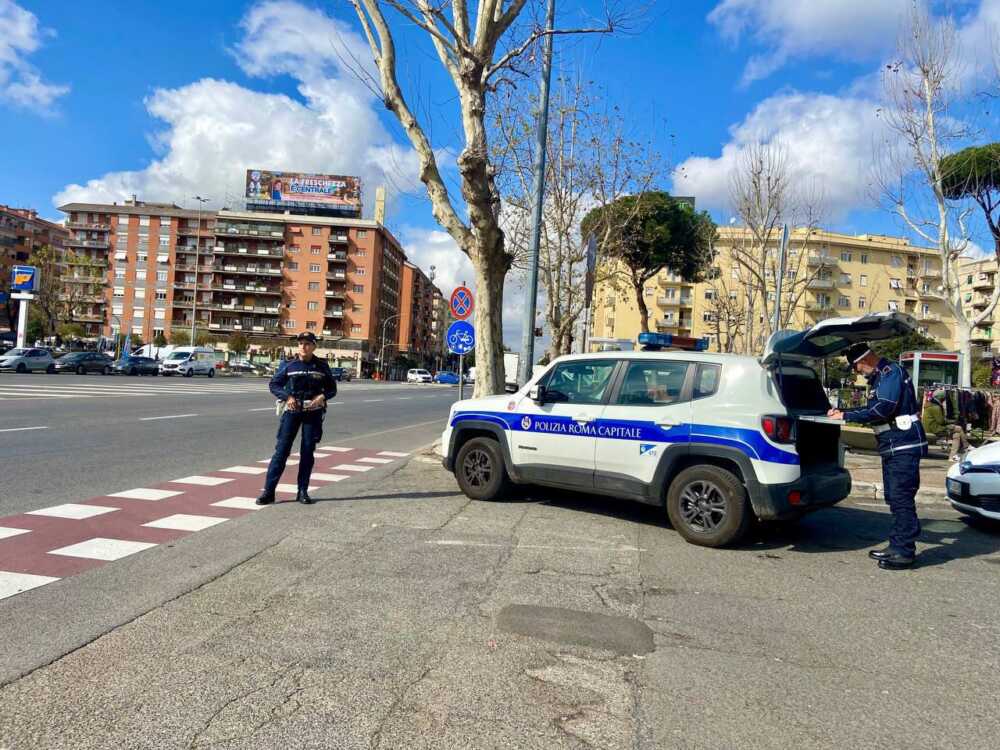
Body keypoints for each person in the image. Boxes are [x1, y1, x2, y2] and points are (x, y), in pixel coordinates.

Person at [827, 344, 927, 570]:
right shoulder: (880, 379)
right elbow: (875, 407)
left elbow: (883, 408)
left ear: (865, 360)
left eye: (856, 367)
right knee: (894, 497)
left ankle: (904, 552)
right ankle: (897, 544)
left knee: (901, 498)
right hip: (893, 445)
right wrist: (844, 412)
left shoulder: (890, 373)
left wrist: (847, 414)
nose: (857, 372)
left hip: (904, 445)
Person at [257, 332, 337, 506]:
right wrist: (287, 397)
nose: (303, 346)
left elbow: (332, 389)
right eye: (300, 343)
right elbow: (274, 384)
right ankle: (269, 492)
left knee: (307, 452)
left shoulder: (321, 366)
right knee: (281, 451)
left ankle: (302, 491)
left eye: (307, 343)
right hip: (292, 412)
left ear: (314, 346)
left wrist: (322, 397)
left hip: (313, 413)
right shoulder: (289, 364)